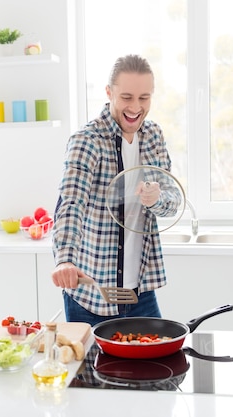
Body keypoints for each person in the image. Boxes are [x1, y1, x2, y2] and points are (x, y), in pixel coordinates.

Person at [51, 54, 180, 326]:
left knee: (153, 366)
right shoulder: (87, 141)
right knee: (89, 369)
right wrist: (64, 260)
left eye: (144, 98)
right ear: (109, 93)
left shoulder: (153, 135)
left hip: (141, 293)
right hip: (92, 294)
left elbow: (173, 201)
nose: (135, 107)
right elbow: (71, 204)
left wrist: (157, 199)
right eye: (127, 97)